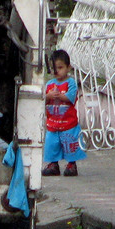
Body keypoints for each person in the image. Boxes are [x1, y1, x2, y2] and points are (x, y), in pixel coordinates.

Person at [41, 49, 86, 177]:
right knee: (51, 144)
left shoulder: (70, 83)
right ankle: (53, 164)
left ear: (68, 67)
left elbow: (70, 97)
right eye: (55, 68)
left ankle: (71, 164)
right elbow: (43, 100)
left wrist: (60, 96)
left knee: (70, 144)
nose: (57, 71)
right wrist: (48, 96)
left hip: (68, 123)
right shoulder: (49, 84)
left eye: (60, 68)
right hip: (53, 124)